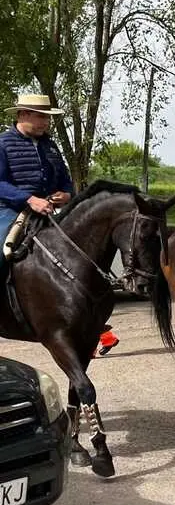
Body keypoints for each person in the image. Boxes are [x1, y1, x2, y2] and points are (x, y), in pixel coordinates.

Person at [0, 93, 115, 353]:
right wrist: (29, 199)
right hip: (10, 210)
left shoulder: (50, 146)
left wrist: (66, 193)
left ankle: (92, 316)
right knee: (1, 252)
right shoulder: (3, 144)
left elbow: (63, 179)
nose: (46, 123)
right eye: (41, 117)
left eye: (47, 118)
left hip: (51, 209)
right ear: (23, 115)